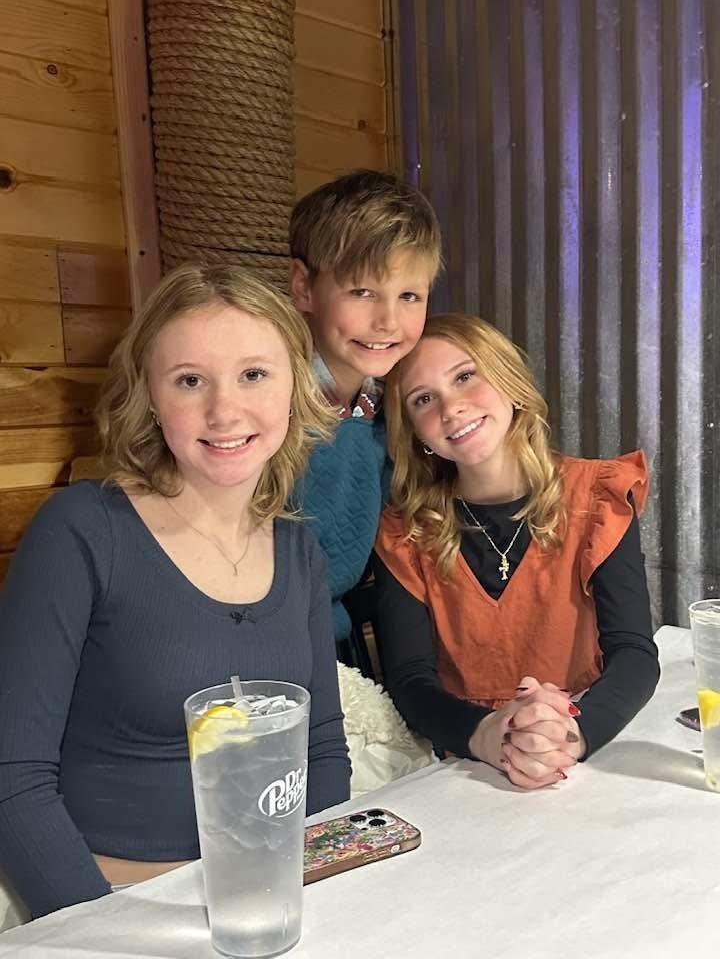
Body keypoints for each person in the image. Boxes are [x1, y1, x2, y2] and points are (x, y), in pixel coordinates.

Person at [0, 264, 350, 919]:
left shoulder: (299, 548)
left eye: (254, 374)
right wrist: (100, 930)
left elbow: (323, 745)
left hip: (274, 901)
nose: (224, 410)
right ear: (151, 398)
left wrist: (320, 896)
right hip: (120, 905)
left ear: (294, 389)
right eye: (190, 380)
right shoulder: (81, 532)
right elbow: (11, 779)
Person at [373, 313, 660, 789]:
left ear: (511, 382)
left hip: (581, 747)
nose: (451, 408)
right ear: (414, 433)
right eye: (423, 399)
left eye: (465, 376)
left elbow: (633, 652)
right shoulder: (404, 533)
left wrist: (571, 734)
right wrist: (488, 734)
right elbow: (410, 680)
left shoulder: (597, 497)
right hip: (465, 758)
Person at [288, 169, 442, 657]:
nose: (388, 322)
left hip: (343, 640)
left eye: (409, 296)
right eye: (362, 292)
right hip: (269, 644)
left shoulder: (395, 401)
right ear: (303, 287)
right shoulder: (267, 405)